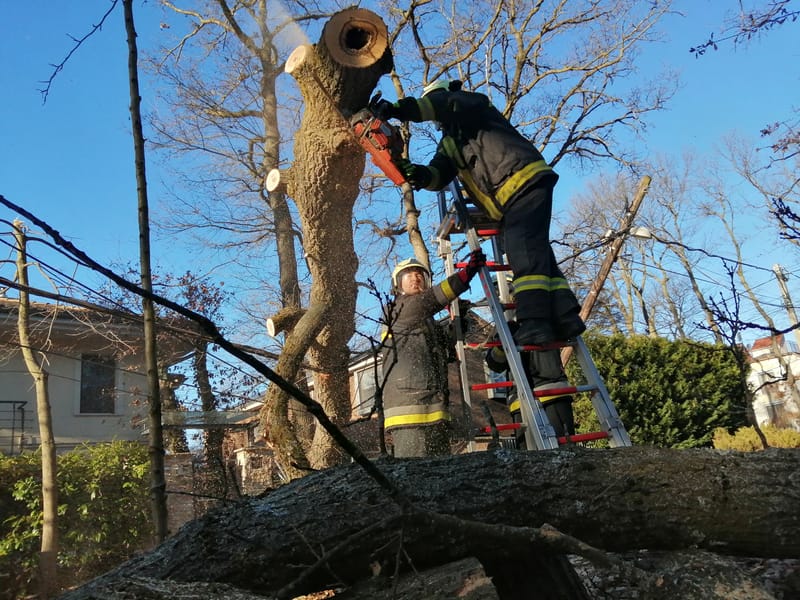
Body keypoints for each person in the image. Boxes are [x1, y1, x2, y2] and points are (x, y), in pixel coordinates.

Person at [373, 80, 585, 346]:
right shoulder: (450, 142)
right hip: (511, 196)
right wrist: (415, 173)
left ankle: (535, 322)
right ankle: (566, 316)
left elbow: (444, 105)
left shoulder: (470, 105)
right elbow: (438, 175)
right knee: (537, 253)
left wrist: (397, 109)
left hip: (520, 180)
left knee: (522, 253)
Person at [381, 249, 485, 458]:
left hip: (432, 406)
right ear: (397, 285)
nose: (416, 277)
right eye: (409, 274)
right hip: (409, 409)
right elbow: (438, 295)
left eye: (420, 274)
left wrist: (460, 319)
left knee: (438, 473)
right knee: (413, 472)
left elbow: (445, 348)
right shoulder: (400, 308)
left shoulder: (426, 322)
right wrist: (468, 272)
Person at [484, 322, 576, 447]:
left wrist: (501, 345)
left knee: (532, 457)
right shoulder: (546, 318)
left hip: (530, 398)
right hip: (551, 393)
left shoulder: (505, 326)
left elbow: (495, 364)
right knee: (565, 452)